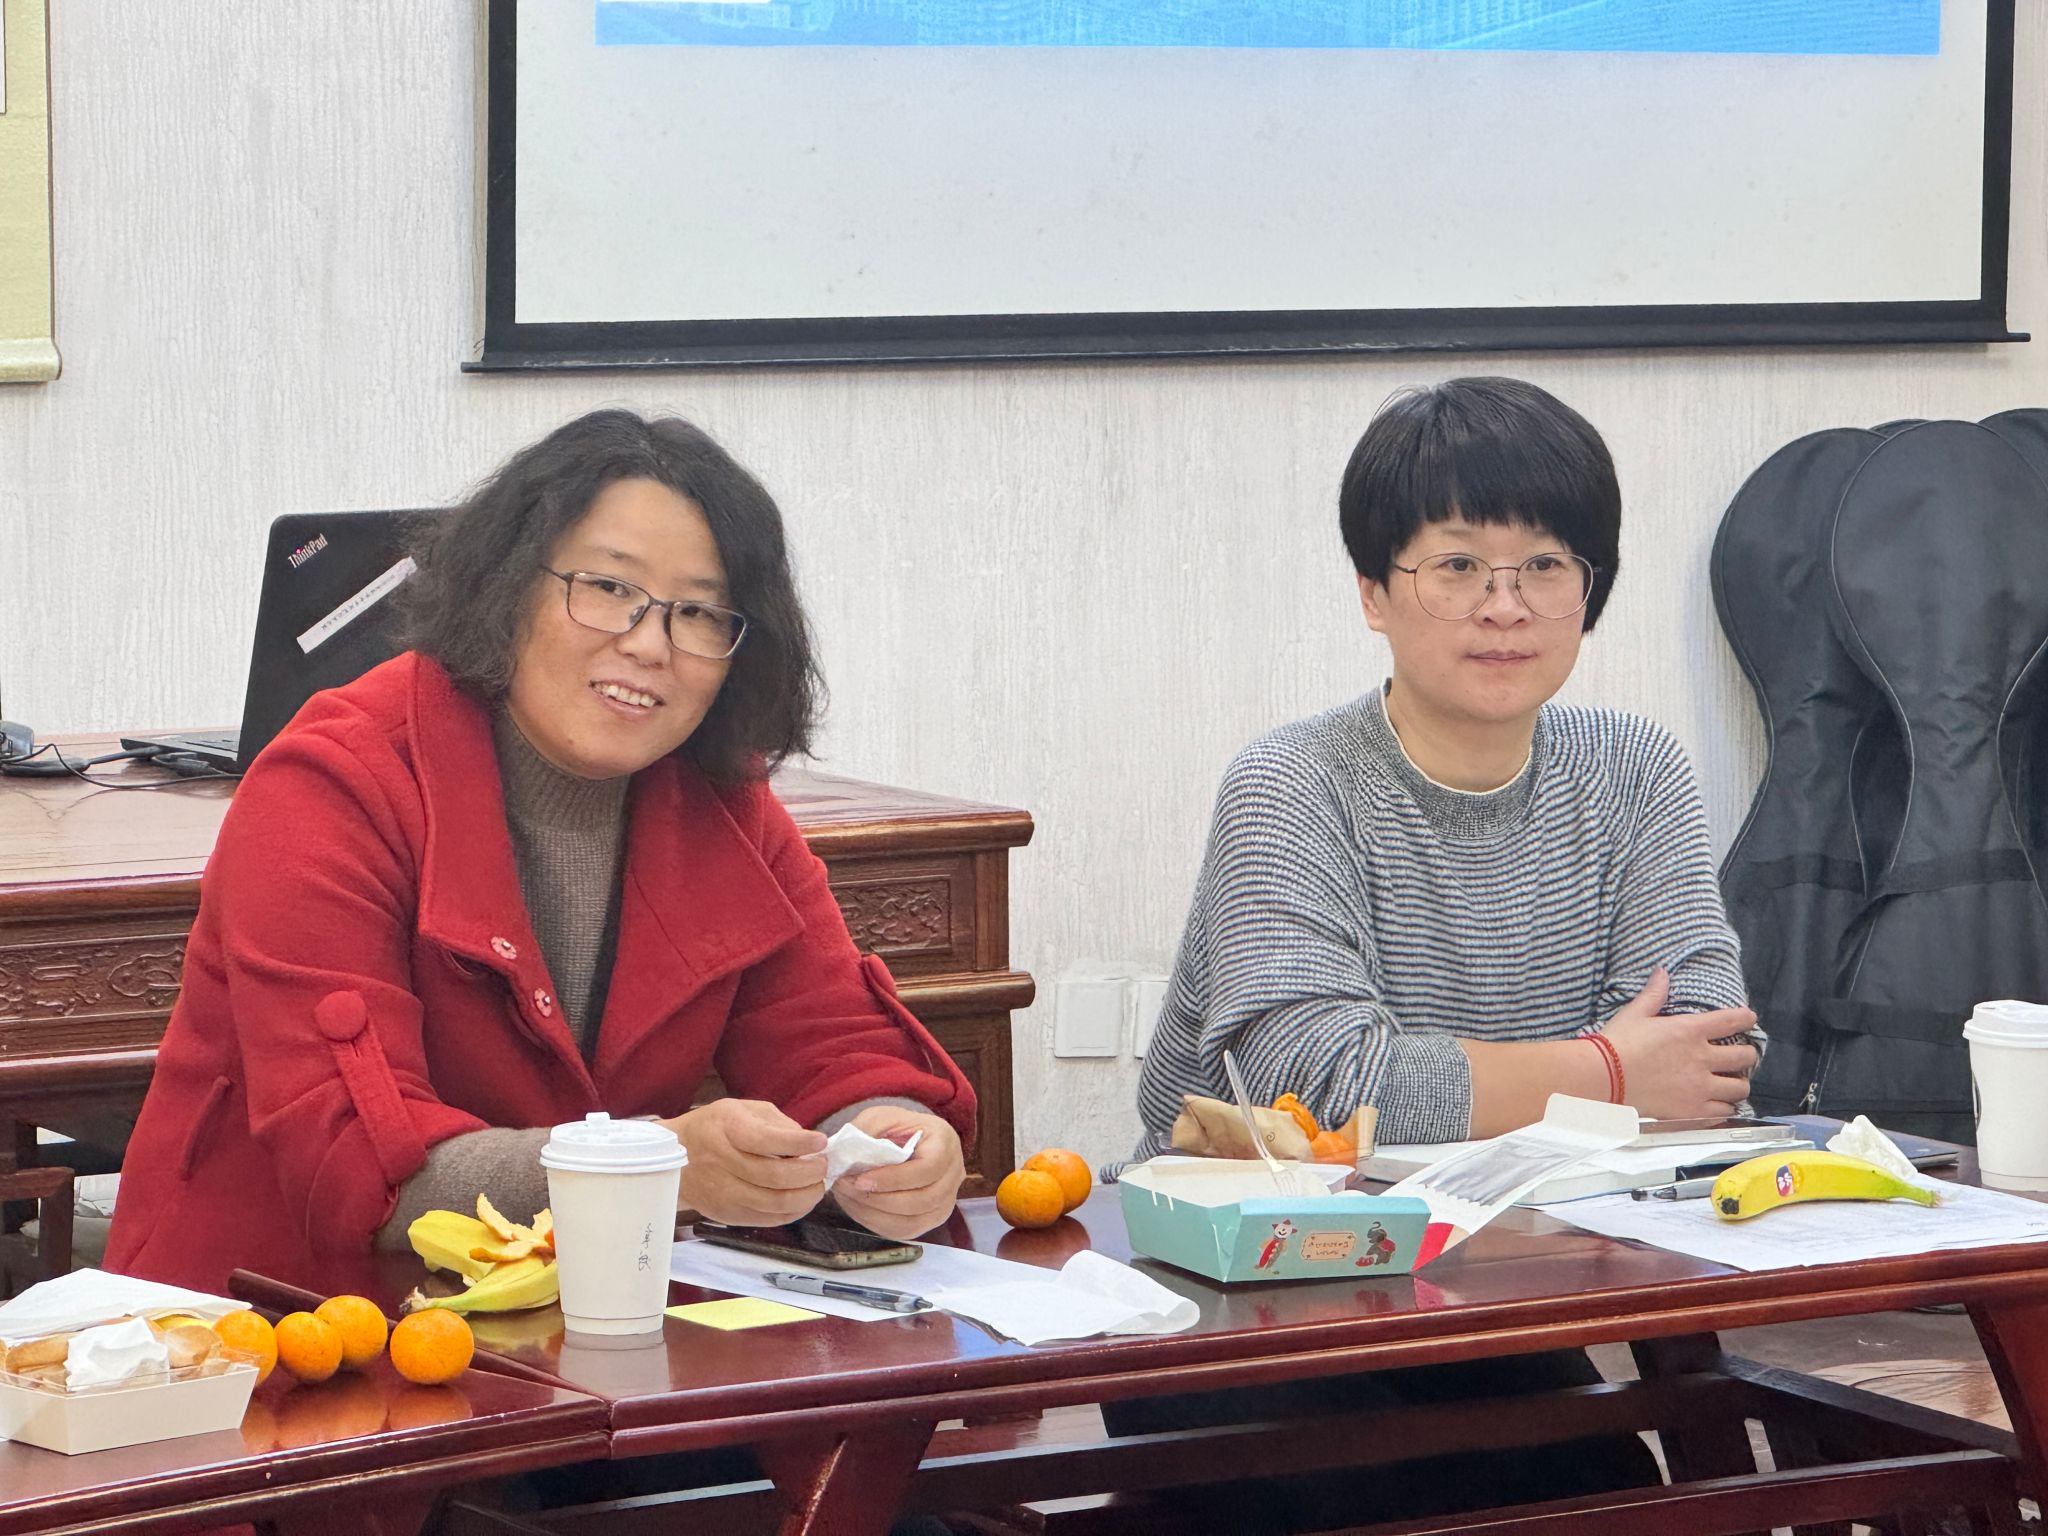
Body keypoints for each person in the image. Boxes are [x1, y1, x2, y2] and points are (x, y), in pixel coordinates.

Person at [107, 409, 975, 1298]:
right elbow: (363, 1166)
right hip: (269, 1327)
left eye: (699, 612)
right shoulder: (331, 785)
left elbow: (831, 1042)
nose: (649, 643)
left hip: (560, 1323)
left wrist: (891, 1136)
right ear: (510, 586)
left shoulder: (724, 799)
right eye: (607, 587)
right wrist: (654, 1162)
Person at [1115, 376, 1760, 1530]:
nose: (1502, 607)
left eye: (1543, 565)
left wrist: (1556, 1081)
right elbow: (1319, 1085)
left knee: (1613, 1500)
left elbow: (1706, 1058)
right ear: (1373, 592)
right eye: (1456, 565)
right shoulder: (1292, 784)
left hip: (1495, 1281)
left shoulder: (1632, 769)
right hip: (1241, 1299)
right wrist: (1605, 1072)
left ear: (1588, 589)